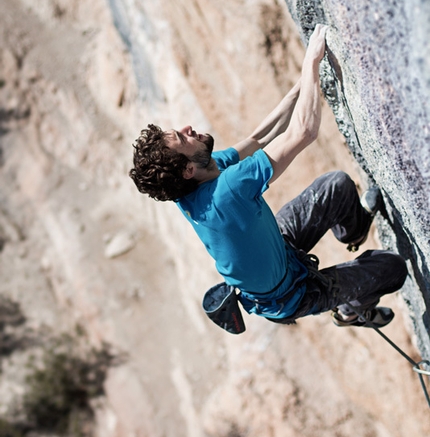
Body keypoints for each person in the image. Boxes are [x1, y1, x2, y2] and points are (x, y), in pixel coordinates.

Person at [129, 25, 407, 328]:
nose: (187, 129)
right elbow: (304, 132)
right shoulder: (226, 192)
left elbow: (259, 136)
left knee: (336, 186)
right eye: (182, 139)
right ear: (187, 170)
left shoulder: (197, 177)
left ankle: (353, 231)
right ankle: (353, 309)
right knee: (392, 268)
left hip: (280, 253)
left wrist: (304, 80)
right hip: (292, 294)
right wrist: (312, 62)